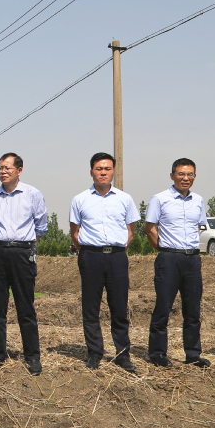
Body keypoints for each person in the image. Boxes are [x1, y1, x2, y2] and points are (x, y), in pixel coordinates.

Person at [69, 152, 140, 374]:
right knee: (91, 307)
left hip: (117, 257)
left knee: (119, 306)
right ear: (91, 171)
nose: (103, 172)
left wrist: (117, 250)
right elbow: (75, 232)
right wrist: (89, 250)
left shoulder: (124, 199)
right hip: (90, 256)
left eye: (107, 169)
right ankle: (94, 353)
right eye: (99, 169)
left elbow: (130, 231)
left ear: (113, 171)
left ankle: (123, 354)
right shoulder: (80, 199)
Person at [0, 153, 47, 376]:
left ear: (19, 170)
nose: (3, 171)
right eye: (0, 168)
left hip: (22, 253)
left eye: (8, 168)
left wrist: (25, 246)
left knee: (25, 306)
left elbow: (41, 226)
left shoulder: (32, 194)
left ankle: (32, 356)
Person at [145, 158, 210, 368]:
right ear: (172, 175)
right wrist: (165, 250)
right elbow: (150, 229)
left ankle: (193, 354)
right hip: (169, 259)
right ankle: (157, 353)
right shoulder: (159, 199)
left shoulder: (198, 200)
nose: (185, 178)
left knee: (192, 310)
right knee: (163, 307)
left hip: (192, 259)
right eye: (181, 174)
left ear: (195, 177)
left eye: (190, 174)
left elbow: (199, 226)